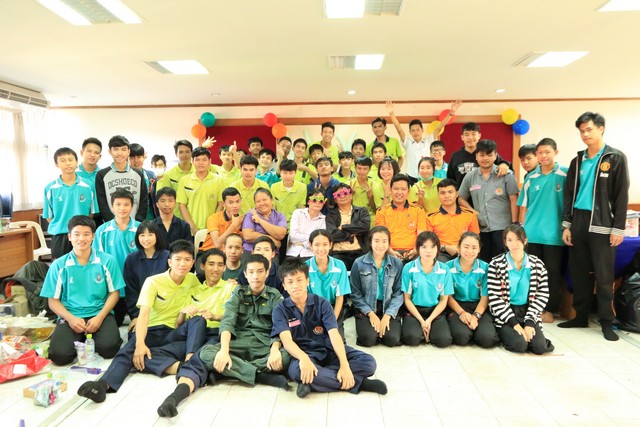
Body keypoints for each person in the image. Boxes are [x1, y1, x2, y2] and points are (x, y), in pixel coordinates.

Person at [156, 254, 290, 418]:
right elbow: (227, 321)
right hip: (238, 341)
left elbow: (279, 326)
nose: (255, 276)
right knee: (206, 353)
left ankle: (229, 371)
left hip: (262, 344)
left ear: (267, 273)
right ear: (245, 274)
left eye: (260, 271)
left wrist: (275, 350)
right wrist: (224, 350)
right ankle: (260, 375)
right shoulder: (238, 293)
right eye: (251, 272)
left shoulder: (275, 296)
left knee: (285, 356)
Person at [77, 240, 203, 403]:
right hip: (153, 330)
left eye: (187, 260)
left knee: (198, 322)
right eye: (178, 259)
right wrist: (140, 344)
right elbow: (143, 315)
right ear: (170, 261)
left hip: (175, 333)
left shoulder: (193, 280)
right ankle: (103, 385)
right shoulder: (153, 282)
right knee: (131, 349)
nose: (182, 264)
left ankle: (184, 363)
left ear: (193, 263)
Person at [559, 112, 629, 341]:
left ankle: (607, 321)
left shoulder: (615, 158)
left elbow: (621, 195)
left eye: (589, 129)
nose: (585, 134)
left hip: (602, 223)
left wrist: (618, 227)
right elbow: (569, 194)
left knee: (604, 275)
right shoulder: (577, 160)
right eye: (581, 131)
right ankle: (580, 316)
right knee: (579, 272)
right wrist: (567, 225)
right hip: (578, 221)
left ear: (601, 129)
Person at [273, 258, 387, 399]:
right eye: (290, 282)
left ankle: (313, 380)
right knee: (297, 372)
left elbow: (334, 334)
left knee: (369, 363)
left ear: (307, 281)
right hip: (303, 353)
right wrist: (304, 358)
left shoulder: (322, 303)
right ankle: (360, 383)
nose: (295, 285)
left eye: (299, 280)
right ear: (284, 286)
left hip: (328, 349)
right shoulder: (280, 309)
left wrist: (344, 365)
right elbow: (287, 342)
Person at [40, 215, 124, 365]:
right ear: (69, 237)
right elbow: (52, 301)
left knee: (109, 349)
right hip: (70, 315)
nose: (81, 239)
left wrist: (100, 317)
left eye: (86, 234)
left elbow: (114, 293)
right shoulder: (59, 265)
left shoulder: (107, 261)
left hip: (99, 313)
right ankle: (80, 339)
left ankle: (87, 338)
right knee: (59, 357)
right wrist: (70, 319)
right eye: (77, 234)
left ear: (93, 236)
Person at [517, 138, 567, 323]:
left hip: (555, 235)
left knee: (552, 274)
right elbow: (523, 206)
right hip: (532, 234)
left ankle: (550, 309)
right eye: (540, 152)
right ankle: (532, 308)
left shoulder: (565, 174)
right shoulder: (530, 178)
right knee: (532, 273)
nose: (544, 156)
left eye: (547, 152)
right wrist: (523, 232)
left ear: (556, 152)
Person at [487, 225, 554, 354]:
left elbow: (542, 295)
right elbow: (495, 298)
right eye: (510, 240)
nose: (514, 244)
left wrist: (529, 322)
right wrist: (515, 324)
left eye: (518, 239)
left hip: (529, 310)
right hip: (506, 312)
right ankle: (505, 334)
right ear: (505, 242)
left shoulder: (537, 264)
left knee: (539, 347)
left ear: (525, 240)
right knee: (520, 345)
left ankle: (531, 335)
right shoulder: (496, 264)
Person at [458, 139, 519, 262]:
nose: (485, 158)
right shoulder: (470, 176)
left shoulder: (507, 175)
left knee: (503, 263)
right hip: (480, 228)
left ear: (495, 156)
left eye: (489, 155)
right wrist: (473, 212)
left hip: (503, 228)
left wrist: (514, 224)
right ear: (476, 156)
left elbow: (514, 199)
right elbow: (461, 198)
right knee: (483, 262)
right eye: (481, 155)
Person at [350, 226, 403, 347]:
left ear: (389, 243)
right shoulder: (359, 263)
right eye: (376, 241)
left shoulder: (397, 263)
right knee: (368, 339)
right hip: (367, 307)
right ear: (370, 242)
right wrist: (370, 314)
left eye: (384, 241)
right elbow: (355, 293)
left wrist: (388, 315)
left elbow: (398, 292)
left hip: (388, 306)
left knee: (392, 339)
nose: (380, 245)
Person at [93, 188, 140, 326]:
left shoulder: (141, 229)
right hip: (113, 289)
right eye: (118, 204)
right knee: (113, 326)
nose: (122, 208)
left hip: (135, 288)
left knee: (140, 325)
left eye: (126, 204)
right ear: (112, 207)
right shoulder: (102, 231)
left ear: (132, 206)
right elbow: (97, 261)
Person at [386, 100, 461, 184]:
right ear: (410, 132)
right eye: (413, 130)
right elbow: (399, 129)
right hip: (411, 178)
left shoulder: (429, 141)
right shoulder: (408, 143)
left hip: (427, 177)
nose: (416, 132)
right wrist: (391, 113)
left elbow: (439, 127)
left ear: (422, 130)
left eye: (418, 129)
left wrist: (451, 112)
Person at [401, 231, 453, 347]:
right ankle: (420, 330)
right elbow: (407, 299)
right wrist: (422, 321)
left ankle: (430, 331)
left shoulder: (444, 269)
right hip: (415, 310)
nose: (428, 251)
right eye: (424, 247)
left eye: (432, 247)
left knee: (443, 340)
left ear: (438, 248)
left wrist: (429, 320)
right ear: (418, 249)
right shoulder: (409, 268)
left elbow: (443, 300)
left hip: (435, 310)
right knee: (411, 339)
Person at [446, 232, 499, 348]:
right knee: (461, 337)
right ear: (458, 247)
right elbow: (448, 297)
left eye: (474, 247)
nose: (469, 251)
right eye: (466, 247)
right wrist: (462, 313)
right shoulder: (447, 267)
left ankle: (477, 332)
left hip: (478, 306)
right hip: (457, 306)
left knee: (487, 339)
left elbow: (485, 298)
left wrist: (475, 316)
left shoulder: (486, 268)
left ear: (479, 249)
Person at [44, 147, 98, 259]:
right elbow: (49, 216)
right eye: (63, 160)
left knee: (84, 265)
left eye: (70, 159)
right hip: (60, 236)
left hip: (82, 235)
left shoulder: (88, 186)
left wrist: (80, 229)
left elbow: (91, 213)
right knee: (60, 267)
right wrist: (62, 225)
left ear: (76, 162)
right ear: (56, 164)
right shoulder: (50, 188)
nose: (67, 163)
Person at [176, 248, 237, 346]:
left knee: (205, 351)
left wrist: (215, 317)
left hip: (216, 333)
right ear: (202, 266)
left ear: (224, 267)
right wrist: (182, 312)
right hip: (191, 333)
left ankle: (190, 355)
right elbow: (178, 325)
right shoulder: (193, 290)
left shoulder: (232, 288)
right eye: (211, 264)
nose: (216, 269)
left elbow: (237, 319)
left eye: (220, 265)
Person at [123, 220, 169, 335]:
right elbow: (131, 291)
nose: (146, 239)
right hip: (140, 312)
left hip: (164, 312)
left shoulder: (167, 257)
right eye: (142, 235)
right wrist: (137, 315)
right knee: (135, 338)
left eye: (150, 234)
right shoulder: (131, 259)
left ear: (157, 236)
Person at [305, 230, 351, 337]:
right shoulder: (305, 267)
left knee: (336, 340)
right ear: (310, 246)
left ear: (330, 245)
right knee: (314, 339)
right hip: (312, 308)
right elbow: (304, 298)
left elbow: (340, 297)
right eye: (317, 245)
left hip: (333, 308)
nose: (321, 249)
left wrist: (332, 320)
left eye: (325, 244)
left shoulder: (340, 266)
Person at [95, 135, 148, 223]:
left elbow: (144, 201)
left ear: (128, 152)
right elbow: (102, 203)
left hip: (135, 224)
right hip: (111, 225)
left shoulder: (138, 174)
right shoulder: (101, 175)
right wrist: (113, 223)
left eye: (123, 149)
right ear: (110, 151)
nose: (119, 153)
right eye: (116, 149)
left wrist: (138, 221)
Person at [374, 174, 427, 261]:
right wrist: (390, 251)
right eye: (396, 189)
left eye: (403, 189)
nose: (399, 192)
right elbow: (380, 237)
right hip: (388, 252)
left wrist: (415, 250)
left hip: (414, 253)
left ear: (408, 191)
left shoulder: (418, 210)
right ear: (390, 190)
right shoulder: (382, 211)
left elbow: (421, 235)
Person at [426, 179, 480, 262]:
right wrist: (445, 248)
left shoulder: (470, 214)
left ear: (457, 194)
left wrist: (462, 248)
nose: (447, 196)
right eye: (442, 193)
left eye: (450, 192)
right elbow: (428, 242)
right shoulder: (430, 217)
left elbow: (475, 239)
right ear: (438, 195)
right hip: (441, 253)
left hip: (465, 251)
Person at [446, 123, 511, 188]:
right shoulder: (455, 156)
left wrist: (504, 164)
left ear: (479, 136)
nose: (470, 137)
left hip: (484, 192)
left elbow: (504, 163)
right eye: (467, 134)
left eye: (473, 134)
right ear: (462, 137)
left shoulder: (487, 153)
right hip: (461, 193)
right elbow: (450, 179)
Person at [176, 146, 222, 235]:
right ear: (192, 161)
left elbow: (221, 204)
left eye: (204, 160)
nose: (201, 163)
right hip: (190, 230)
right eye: (197, 160)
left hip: (213, 230)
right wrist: (193, 228)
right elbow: (182, 205)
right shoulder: (184, 180)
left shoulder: (219, 180)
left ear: (210, 162)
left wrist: (212, 226)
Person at [326, 183, 370, 270]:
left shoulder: (362, 211)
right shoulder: (330, 215)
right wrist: (351, 235)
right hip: (338, 253)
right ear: (335, 200)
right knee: (338, 270)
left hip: (360, 251)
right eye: (338, 195)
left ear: (351, 195)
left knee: (364, 271)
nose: (342, 196)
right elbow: (332, 235)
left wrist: (343, 227)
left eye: (345, 193)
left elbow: (365, 227)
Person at [157, 140, 194, 219]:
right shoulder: (169, 174)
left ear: (192, 153)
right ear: (176, 154)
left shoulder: (198, 172)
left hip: (195, 216)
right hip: (176, 217)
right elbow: (166, 197)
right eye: (181, 152)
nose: (184, 155)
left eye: (187, 152)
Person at [242, 188, 287, 252]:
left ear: (272, 200)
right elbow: (248, 236)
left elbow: (280, 235)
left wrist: (260, 220)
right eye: (258, 201)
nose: (262, 203)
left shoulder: (280, 216)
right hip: (251, 251)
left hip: (271, 253)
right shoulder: (251, 214)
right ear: (255, 204)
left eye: (264, 200)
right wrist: (272, 240)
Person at [286, 190, 326, 260]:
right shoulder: (298, 213)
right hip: (293, 252)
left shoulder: (323, 219)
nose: (318, 203)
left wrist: (302, 243)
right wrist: (311, 239)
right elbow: (293, 235)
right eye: (314, 200)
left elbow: (319, 240)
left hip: (311, 255)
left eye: (321, 201)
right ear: (308, 201)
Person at [202, 187, 244, 253]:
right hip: (209, 251)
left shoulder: (243, 219)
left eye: (238, 201)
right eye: (231, 203)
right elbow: (217, 244)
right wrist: (233, 225)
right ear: (223, 204)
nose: (235, 206)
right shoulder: (213, 218)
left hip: (230, 254)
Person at [76, 137, 103, 225]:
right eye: (89, 151)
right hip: (76, 218)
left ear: (100, 156)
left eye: (96, 152)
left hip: (98, 218)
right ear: (81, 152)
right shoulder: (73, 173)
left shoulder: (102, 175)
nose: (92, 155)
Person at [129, 143, 157, 220]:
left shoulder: (151, 175)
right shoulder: (123, 176)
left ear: (144, 157)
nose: (136, 160)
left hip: (150, 218)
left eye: (139, 157)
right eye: (132, 158)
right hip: (131, 218)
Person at [350, 155, 378, 224]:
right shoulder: (348, 184)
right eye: (359, 168)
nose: (362, 171)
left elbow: (376, 211)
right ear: (355, 168)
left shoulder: (375, 185)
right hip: (352, 217)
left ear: (370, 169)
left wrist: (371, 198)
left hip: (369, 218)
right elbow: (344, 208)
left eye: (365, 169)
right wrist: (351, 195)